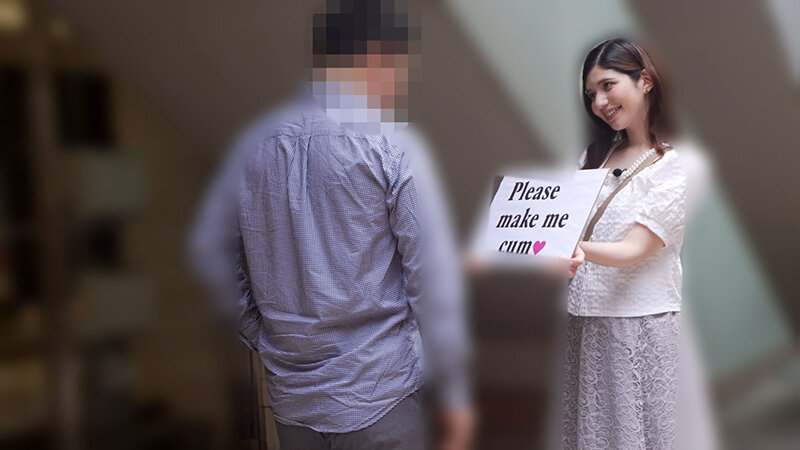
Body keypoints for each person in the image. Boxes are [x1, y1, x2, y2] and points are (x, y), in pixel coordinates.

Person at [189, 1, 473, 449]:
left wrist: (260, 333)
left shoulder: (252, 146)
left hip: (293, 401)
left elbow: (209, 249)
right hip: (382, 395)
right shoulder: (392, 146)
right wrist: (454, 394)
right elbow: (430, 281)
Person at [561, 38, 688, 449]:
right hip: (587, 320)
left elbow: (635, 249)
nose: (599, 102)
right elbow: (560, 227)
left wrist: (579, 249)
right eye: (591, 94)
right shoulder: (591, 158)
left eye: (607, 85)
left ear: (644, 81)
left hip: (639, 327)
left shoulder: (671, 167)